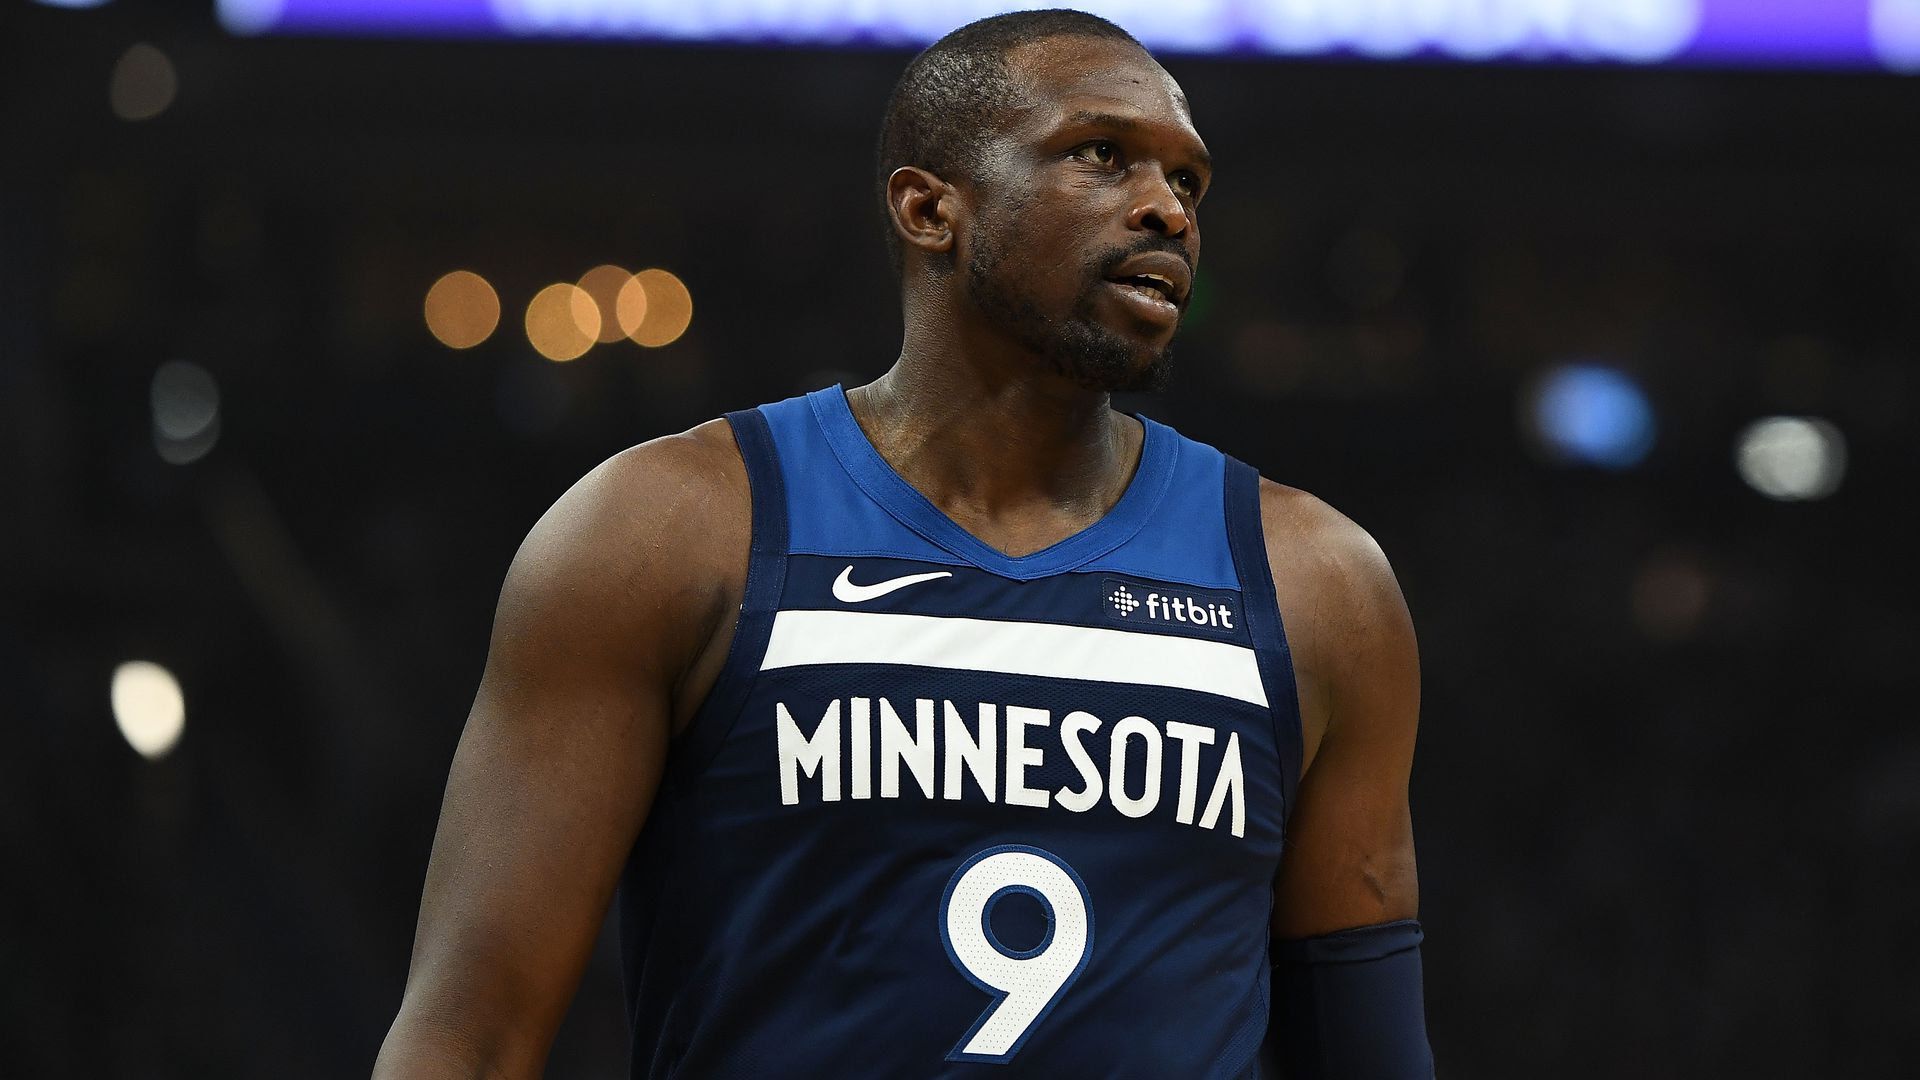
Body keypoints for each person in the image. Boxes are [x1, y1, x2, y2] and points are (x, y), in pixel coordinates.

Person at [374, 10, 1431, 1078]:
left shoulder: (1317, 583)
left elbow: (1372, 1053)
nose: (1167, 208)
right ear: (932, 208)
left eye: (1189, 183)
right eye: (1102, 155)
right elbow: (470, 1033)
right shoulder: (665, 531)